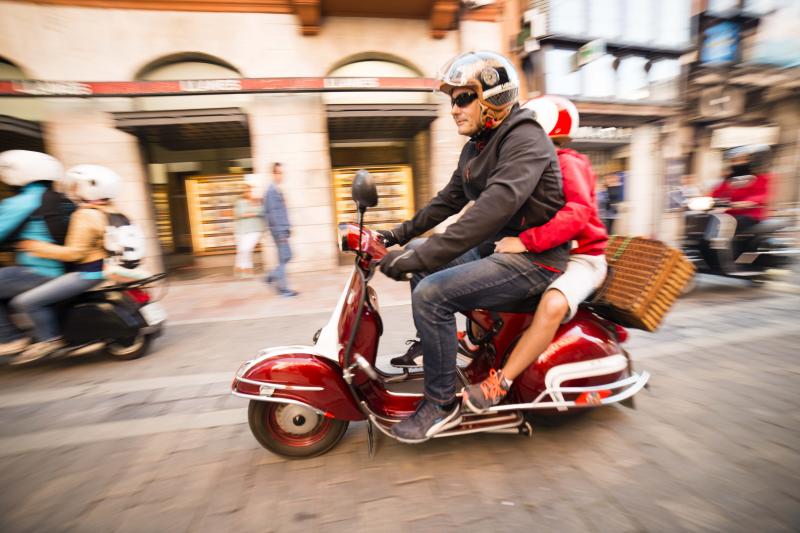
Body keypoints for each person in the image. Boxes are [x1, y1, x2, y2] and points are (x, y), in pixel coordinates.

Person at [377, 51, 569, 443]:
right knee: (423, 271)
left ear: (494, 98)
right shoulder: (477, 146)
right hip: (499, 249)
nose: (454, 109)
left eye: (463, 97)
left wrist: (422, 253)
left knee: (431, 292)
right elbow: (447, 201)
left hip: (537, 260)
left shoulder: (525, 138)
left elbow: (490, 210)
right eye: (452, 100)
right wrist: (394, 236)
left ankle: (440, 404)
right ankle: (442, 354)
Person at [461, 95, 609, 412]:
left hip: (582, 259)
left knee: (552, 304)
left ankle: (500, 384)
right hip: (551, 253)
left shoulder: (569, 163)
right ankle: (479, 340)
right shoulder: (533, 164)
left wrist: (527, 241)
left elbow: (577, 213)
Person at [10, 164, 127, 364]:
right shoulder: (113, 211)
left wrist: (34, 246)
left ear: (88, 188)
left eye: (76, 185)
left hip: (87, 273)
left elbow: (75, 253)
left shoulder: (85, 214)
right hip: (104, 270)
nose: (72, 189)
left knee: (25, 302)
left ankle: (48, 340)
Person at [0, 150, 73, 357]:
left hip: (39, 269)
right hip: (64, 267)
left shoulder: (21, 202)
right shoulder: (61, 199)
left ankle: (9, 338)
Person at [707, 145, 771, 271]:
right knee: (709, 221)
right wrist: (706, 199)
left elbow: (762, 195)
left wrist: (749, 202)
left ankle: (732, 260)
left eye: (742, 159)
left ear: (749, 161)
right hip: (730, 214)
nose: (738, 163)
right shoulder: (729, 181)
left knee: (733, 224)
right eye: (735, 160)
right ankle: (711, 256)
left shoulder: (760, 178)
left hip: (751, 215)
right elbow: (715, 194)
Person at [263, 162, 297, 297]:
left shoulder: (276, 189)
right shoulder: (271, 191)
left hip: (282, 230)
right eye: (278, 173)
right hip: (279, 231)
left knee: (287, 256)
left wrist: (287, 227)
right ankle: (283, 289)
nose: (281, 175)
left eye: (282, 173)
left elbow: (281, 211)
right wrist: (280, 231)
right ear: (273, 174)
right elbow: (272, 213)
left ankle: (271, 277)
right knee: (284, 259)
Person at [234, 183, 264, 278]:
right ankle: (246, 270)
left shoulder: (259, 202)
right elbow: (240, 214)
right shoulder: (240, 202)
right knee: (244, 250)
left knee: (246, 249)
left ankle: (242, 268)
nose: (249, 193)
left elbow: (261, 212)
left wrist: (250, 212)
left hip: (255, 230)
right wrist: (253, 212)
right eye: (247, 191)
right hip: (242, 230)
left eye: (250, 191)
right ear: (244, 192)